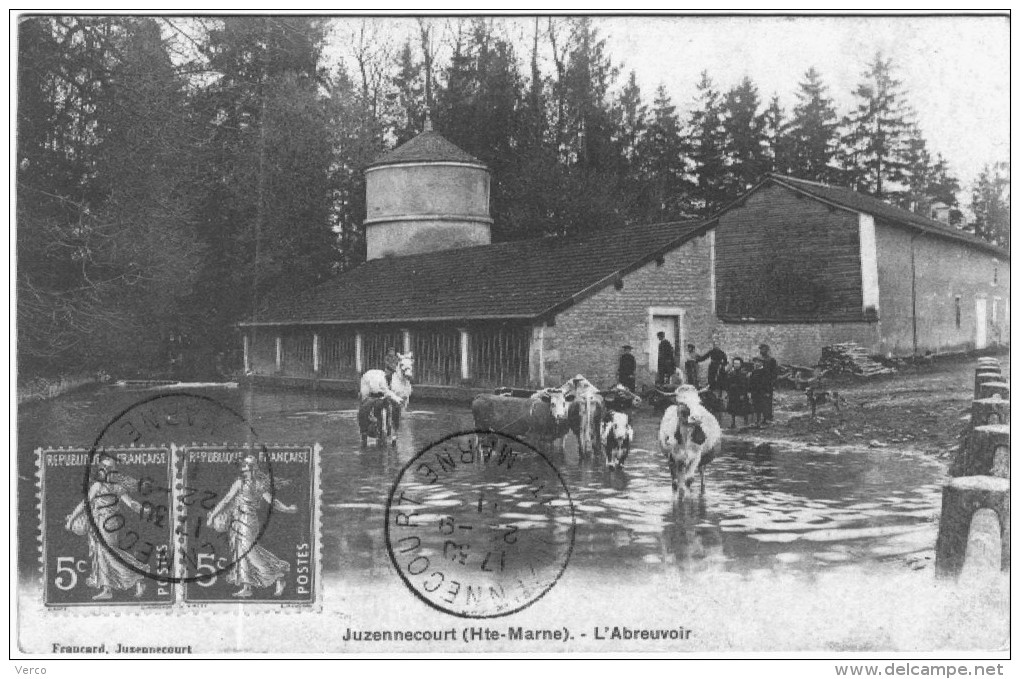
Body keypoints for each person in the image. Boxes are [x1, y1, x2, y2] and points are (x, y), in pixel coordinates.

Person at [207, 454, 298, 598]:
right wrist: (213, 515)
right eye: (243, 466)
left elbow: (272, 501)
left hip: (249, 520)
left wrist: (286, 509)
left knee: (249, 551)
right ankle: (247, 586)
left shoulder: (259, 484)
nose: (243, 469)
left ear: (252, 468)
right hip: (237, 519)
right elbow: (226, 500)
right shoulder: (239, 482)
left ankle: (277, 574)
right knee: (239, 551)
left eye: (245, 466)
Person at [65, 457, 148, 600]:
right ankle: (107, 588)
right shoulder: (117, 486)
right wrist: (143, 510)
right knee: (102, 553)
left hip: (104, 523)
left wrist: (72, 519)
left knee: (108, 553)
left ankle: (138, 576)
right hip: (111, 523)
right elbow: (131, 503)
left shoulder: (98, 486)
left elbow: (85, 504)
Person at [725, 357, 751, 428]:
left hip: (741, 393)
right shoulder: (731, 373)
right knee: (732, 408)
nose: (736, 365)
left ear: (741, 364)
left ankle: (746, 423)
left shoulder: (743, 373)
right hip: (733, 393)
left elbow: (745, 385)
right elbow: (727, 383)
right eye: (734, 363)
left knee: (744, 408)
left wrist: (743, 394)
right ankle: (733, 423)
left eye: (737, 363)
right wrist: (728, 392)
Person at [758, 343, 780, 424]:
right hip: (760, 383)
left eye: (763, 349)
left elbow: (775, 373)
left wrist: (772, 382)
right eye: (760, 349)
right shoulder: (759, 360)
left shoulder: (771, 360)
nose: (761, 351)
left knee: (768, 400)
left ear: (767, 350)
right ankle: (761, 417)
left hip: (768, 383)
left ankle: (768, 417)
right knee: (760, 400)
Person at [748, 357, 768, 426]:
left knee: (763, 406)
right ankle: (757, 420)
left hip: (762, 392)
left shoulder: (765, 371)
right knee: (756, 406)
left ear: (761, 363)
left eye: (758, 362)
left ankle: (764, 420)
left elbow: (767, 383)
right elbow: (750, 382)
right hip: (755, 392)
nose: (756, 363)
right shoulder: (753, 372)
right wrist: (749, 391)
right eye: (755, 362)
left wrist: (767, 392)